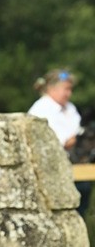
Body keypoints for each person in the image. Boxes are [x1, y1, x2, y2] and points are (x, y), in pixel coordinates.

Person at [28, 68, 90, 217]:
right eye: (66, 89)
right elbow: (59, 143)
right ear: (52, 88)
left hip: (76, 169)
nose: (69, 93)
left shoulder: (70, 108)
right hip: (53, 172)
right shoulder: (41, 109)